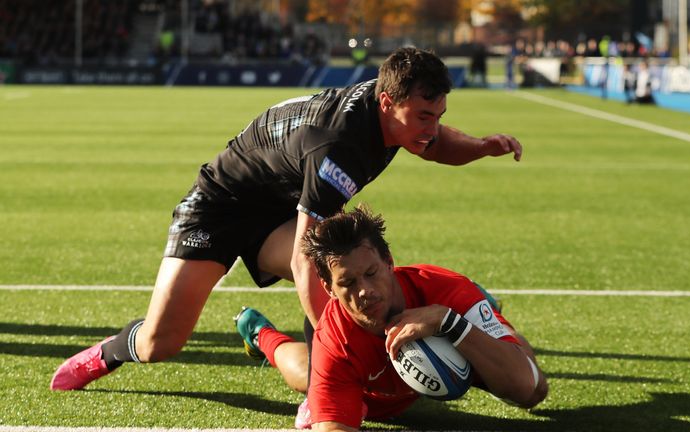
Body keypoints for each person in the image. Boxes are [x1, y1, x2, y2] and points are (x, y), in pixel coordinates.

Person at [49, 47, 523, 393]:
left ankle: (391, 332)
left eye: (438, 114)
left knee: (351, 273)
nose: (431, 127)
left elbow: (437, 144)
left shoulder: (392, 110)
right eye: (423, 116)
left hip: (278, 205)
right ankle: (105, 353)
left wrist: (480, 147)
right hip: (219, 207)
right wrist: (336, 360)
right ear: (386, 102)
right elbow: (304, 260)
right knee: (161, 342)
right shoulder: (338, 149)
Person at [235, 205, 548, 430]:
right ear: (329, 289)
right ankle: (262, 334)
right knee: (306, 373)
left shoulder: (444, 291)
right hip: (381, 395)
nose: (364, 292)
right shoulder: (335, 339)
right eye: (347, 283)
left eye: (371, 273)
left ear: (388, 262)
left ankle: (487, 317)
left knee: (533, 391)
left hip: (455, 336)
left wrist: (448, 321)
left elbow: (526, 385)